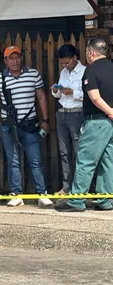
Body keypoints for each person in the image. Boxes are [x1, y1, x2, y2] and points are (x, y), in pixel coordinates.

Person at [0, 45, 53, 207]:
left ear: (21, 58)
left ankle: (42, 193)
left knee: (36, 160)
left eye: (17, 57)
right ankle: (16, 194)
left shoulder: (33, 75)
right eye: (11, 58)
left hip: (29, 124)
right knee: (13, 161)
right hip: (8, 126)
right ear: (5, 61)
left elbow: (42, 98)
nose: (15, 61)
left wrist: (45, 120)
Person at [55, 38, 113, 212]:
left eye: (87, 52)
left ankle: (77, 200)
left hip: (97, 121)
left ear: (91, 52)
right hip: (110, 123)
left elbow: (95, 98)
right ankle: (106, 199)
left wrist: (109, 111)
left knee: (85, 160)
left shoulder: (90, 71)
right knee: (108, 161)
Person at [50, 44, 87, 195]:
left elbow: (91, 95)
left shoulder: (85, 71)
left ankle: (80, 188)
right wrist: (55, 91)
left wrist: (74, 92)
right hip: (62, 112)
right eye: (63, 63)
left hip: (77, 113)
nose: (65, 65)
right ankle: (66, 187)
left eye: (67, 62)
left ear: (75, 58)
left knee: (79, 152)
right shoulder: (64, 72)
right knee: (64, 152)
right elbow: (60, 95)